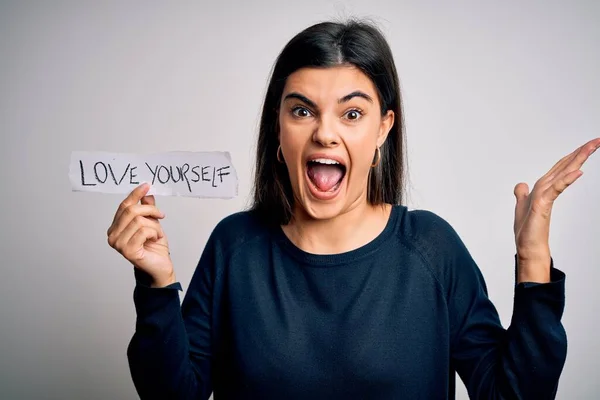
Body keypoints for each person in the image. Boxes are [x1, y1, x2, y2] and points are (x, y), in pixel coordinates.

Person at [107, 19, 599, 399]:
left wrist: (533, 261)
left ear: (383, 128)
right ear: (277, 127)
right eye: (301, 110)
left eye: (352, 113)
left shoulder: (431, 249)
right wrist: (155, 286)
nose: (325, 132)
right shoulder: (235, 246)